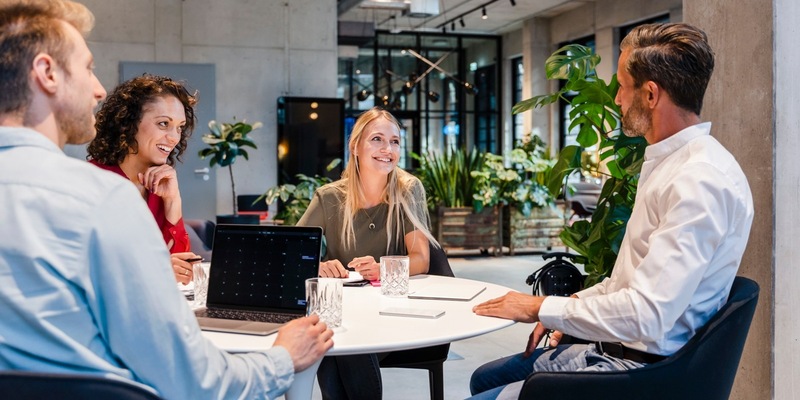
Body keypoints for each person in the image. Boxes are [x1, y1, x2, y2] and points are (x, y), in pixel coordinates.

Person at [0, 1, 333, 399]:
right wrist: (283, 357)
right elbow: (194, 383)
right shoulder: (101, 200)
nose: (99, 89)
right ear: (47, 73)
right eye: (87, 67)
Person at [468, 22, 754, 399]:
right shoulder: (674, 164)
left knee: (486, 392)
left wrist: (539, 306)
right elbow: (628, 286)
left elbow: (647, 315)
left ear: (651, 94)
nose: (617, 99)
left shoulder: (698, 181)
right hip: (615, 351)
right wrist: (568, 305)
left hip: (638, 371)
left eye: (622, 86)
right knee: (483, 379)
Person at [297, 107, 438, 399]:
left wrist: (383, 269)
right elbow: (296, 252)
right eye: (377, 139)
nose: (388, 149)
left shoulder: (408, 190)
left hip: (393, 313)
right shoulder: (330, 197)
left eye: (395, 141)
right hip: (342, 312)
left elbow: (421, 259)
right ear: (356, 146)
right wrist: (319, 264)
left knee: (341, 337)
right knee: (335, 333)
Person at [86, 75, 198, 284]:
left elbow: (182, 269)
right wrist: (157, 272)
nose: (175, 137)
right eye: (163, 124)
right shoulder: (92, 182)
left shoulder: (160, 184)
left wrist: (173, 202)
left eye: (180, 127)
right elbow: (89, 270)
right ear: (126, 123)